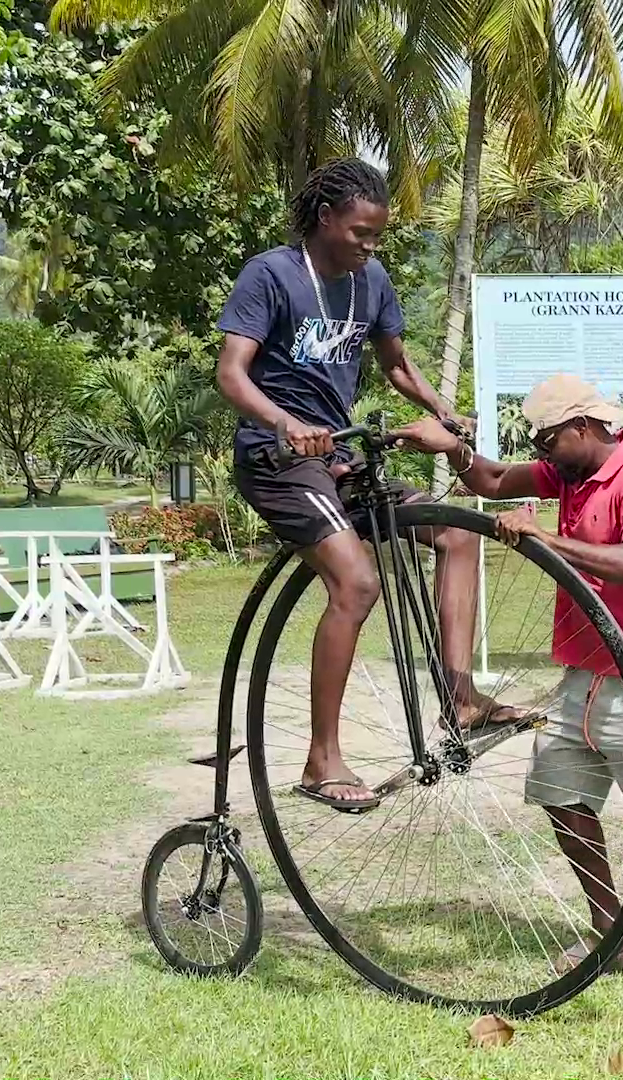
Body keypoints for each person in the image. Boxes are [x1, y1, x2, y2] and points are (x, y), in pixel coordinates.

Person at [393, 375, 623, 1017]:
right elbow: (494, 483)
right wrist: (451, 448)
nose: (544, 452)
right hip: (582, 672)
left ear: (585, 426)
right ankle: (614, 928)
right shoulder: (570, 472)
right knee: (560, 794)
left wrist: (546, 539)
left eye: (550, 439)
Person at [216, 157, 518, 813]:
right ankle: (321, 759)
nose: (370, 246)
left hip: (339, 456)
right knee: (356, 584)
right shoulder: (271, 275)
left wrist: (444, 411)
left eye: (377, 236)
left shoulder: (370, 280)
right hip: (277, 458)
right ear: (325, 218)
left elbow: (397, 363)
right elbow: (232, 375)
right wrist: (284, 421)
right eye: (360, 233)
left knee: (457, 537)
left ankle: (461, 700)